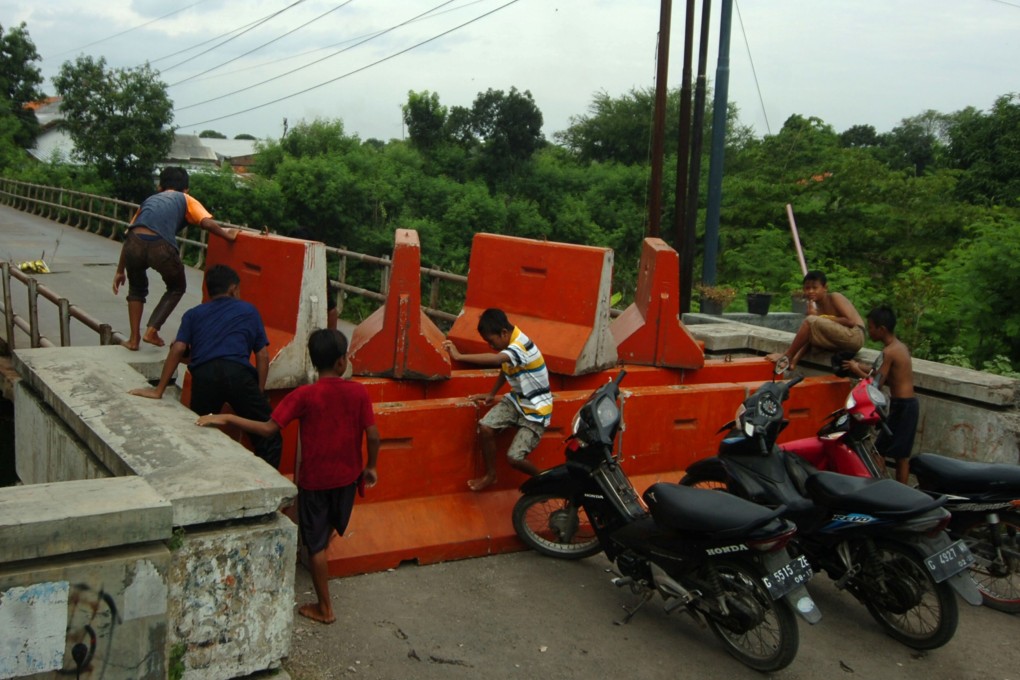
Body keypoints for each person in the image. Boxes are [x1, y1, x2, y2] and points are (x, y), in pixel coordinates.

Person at [196, 328, 380, 625]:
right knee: (328, 529)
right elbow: (372, 435)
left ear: (313, 361)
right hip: (348, 478)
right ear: (341, 362)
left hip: (315, 481)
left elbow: (269, 429)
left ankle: (325, 608)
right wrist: (371, 466)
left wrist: (228, 417)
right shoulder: (359, 392)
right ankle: (321, 587)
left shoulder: (304, 395)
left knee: (315, 545)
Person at [129, 264, 282, 469]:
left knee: (200, 430)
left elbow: (178, 348)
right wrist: (259, 391)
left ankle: (199, 472)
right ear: (233, 289)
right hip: (238, 373)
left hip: (204, 376)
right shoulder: (248, 310)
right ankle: (266, 480)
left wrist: (159, 390)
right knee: (268, 436)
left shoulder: (193, 314)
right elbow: (262, 355)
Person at [113, 166, 239, 350]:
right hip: (160, 245)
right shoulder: (185, 199)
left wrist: (119, 271)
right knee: (176, 286)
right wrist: (227, 235)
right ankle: (152, 330)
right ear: (186, 189)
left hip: (133, 243)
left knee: (136, 289)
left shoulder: (149, 201)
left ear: (160, 187)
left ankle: (133, 340)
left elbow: (130, 233)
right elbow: (206, 222)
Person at [442, 308, 552, 491]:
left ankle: (545, 478)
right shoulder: (510, 343)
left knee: (514, 458)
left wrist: (459, 356)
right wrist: (492, 393)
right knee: (486, 427)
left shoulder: (520, 345)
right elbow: (505, 366)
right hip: (518, 401)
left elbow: (497, 360)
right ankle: (491, 475)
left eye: (491, 342)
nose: (490, 346)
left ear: (503, 333)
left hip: (536, 410)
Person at [843, 305, 918, 484]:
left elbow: (876, 383)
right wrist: (859, 365)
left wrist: (855, 370)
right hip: (905, 404)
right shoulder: (898, 347)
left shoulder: (889, 352)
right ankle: (885, 486)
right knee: (887, 451)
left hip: (904, 407)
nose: (870, 332)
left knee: (895, 455)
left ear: (882, 329)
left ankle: (892, 490)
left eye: (871, 327)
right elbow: (880, 370)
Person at [767, 270, 865, 371]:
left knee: (811, 320)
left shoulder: (835, 297)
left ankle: (787, 356)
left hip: (855, 335)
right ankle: (793, 361)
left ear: (825, 288)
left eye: (815, 288)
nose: (810, 291)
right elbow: (809, 334)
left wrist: (820, 317)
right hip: (841, 341)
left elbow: (850, 322)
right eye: (807, 288)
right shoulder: (816, 307)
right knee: (812, 326)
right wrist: (796, 359)